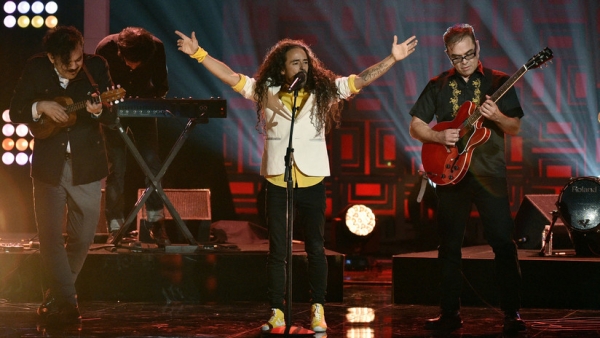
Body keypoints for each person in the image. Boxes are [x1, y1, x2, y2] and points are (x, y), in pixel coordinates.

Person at [175, 29, 417, 333]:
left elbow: (361, 78)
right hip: (278, 178)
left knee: (316, 246)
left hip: (312, 179)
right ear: (281, 67)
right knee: (279, 250)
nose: (302, 66)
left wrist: (391, 60)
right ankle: (277, 310)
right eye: (295, 62)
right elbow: (230, 76)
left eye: (305, 61)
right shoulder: (267, 91)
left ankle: (318, 309)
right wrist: (199, 54)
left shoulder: (324, 90)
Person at [408, 23, 526, 334]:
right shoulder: (438, 85)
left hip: (489, 173)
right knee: (448, 245)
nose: (465, 62)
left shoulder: (499, 81)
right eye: (457, 58)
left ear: (477, 48)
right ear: (448, 55)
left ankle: (512, 312)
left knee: (503, 241)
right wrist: (436, 134)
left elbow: (514, 128)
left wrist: (497, 115)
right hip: (449, 174)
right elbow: (415, 125)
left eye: (469, 55)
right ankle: (449, 313)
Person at [9, 26, 117, 325]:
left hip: (87, 165)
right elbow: (16, 109)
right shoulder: (36, 67)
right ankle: (68, 301)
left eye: (78, 59)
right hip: (49, 165)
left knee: (83, 236)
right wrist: (39, 105)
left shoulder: (96, 67)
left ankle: (56, 294)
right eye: (67, 62)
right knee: (50, 236)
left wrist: (97, 112)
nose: (74, 67)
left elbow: (112, 115)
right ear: (51, 58)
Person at [95, 27, 170, 246]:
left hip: (144, 110)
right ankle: (116, 227)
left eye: (138, 63)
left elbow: (161, 85)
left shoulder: (157, 48)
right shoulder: (106, 48)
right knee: (116, 168)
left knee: (152, 164)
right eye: (130, 61)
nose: (133, 67)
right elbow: (96, 85)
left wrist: (151, 104)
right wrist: (103, 101)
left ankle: (156, 222)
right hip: (113, 111)